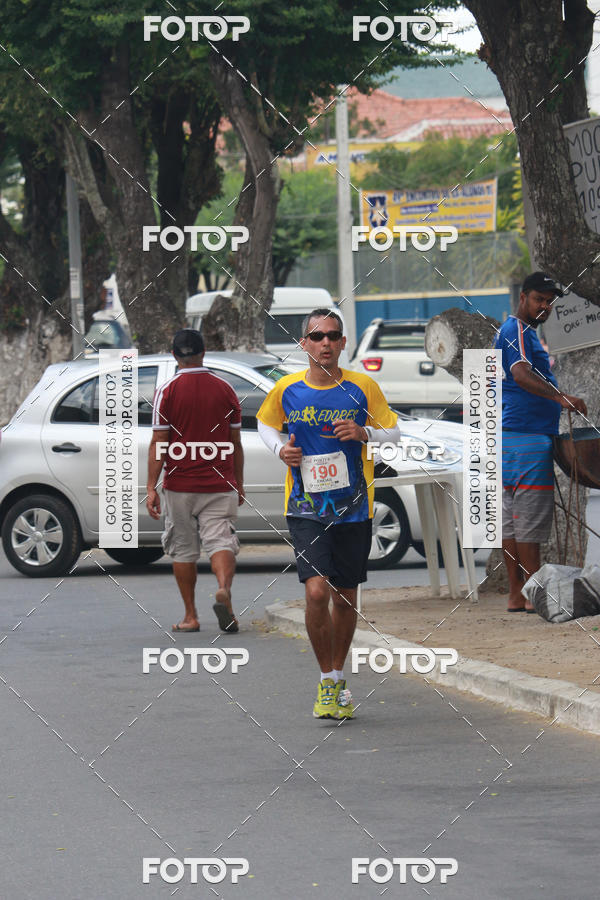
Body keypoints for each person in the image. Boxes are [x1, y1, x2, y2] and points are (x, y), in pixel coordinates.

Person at [257, 309, 401, 719]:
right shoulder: (286, 389)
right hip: (305, 507)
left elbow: (394, 432)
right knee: (316, 591)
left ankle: (338, 677)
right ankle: (325, 681)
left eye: (333, 336)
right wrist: (280, 450)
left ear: (342, 343)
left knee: (345, 597)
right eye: (317, 336)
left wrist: (364, 433)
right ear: (303, 343)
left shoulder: (363, 386)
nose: (325, 343)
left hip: (354, 509)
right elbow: (265, 424)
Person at [494, 272, 587, 612]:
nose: (545, 306)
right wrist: (562, 397)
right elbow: (520, 373)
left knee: (512, 520)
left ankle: (517, 593)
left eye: (550, 302)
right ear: (524, 297)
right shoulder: (516, 330)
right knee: (528, 521)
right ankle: (537, 595)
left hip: (508, 437)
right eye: (539, 299)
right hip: (526, 438)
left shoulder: (521, 332)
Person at [146, 329, 244, 633]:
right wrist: (238, 481)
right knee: (221, 542)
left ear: (175, 355)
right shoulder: (225, 389)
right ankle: (224, 590)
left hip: (180, 486)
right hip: (219, 483)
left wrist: (151, 487)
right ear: (204, 352)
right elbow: (235, 441)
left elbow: (159, 441)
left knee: (184, 549)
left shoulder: (167, 390)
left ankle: (191, 616)